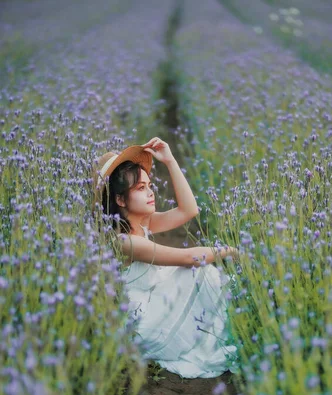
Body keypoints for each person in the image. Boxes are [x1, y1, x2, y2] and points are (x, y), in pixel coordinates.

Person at [93, 137, 240, 378]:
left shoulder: (143, 222)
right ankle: (224, 327)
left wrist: (170, 161)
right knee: (200, 270)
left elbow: (189, 210)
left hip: (153, 301)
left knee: (201, 273)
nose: (151, 193)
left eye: (149, 185)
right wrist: (228, 250)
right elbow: (185, 257)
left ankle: (229, 321)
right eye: (141, 188)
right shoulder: (124, 241)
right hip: (143, 326)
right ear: (120, 200)